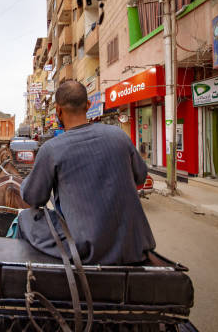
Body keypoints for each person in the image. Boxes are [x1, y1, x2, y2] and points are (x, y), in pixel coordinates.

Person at [16, 80, 155, 265]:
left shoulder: (52, 148)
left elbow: (34, 198)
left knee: (25, 218)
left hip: (86, 249)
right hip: (135, 243)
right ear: (88, 105)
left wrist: (26, 183)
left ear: (58, 111)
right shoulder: (119, 135)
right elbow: (140, 176)